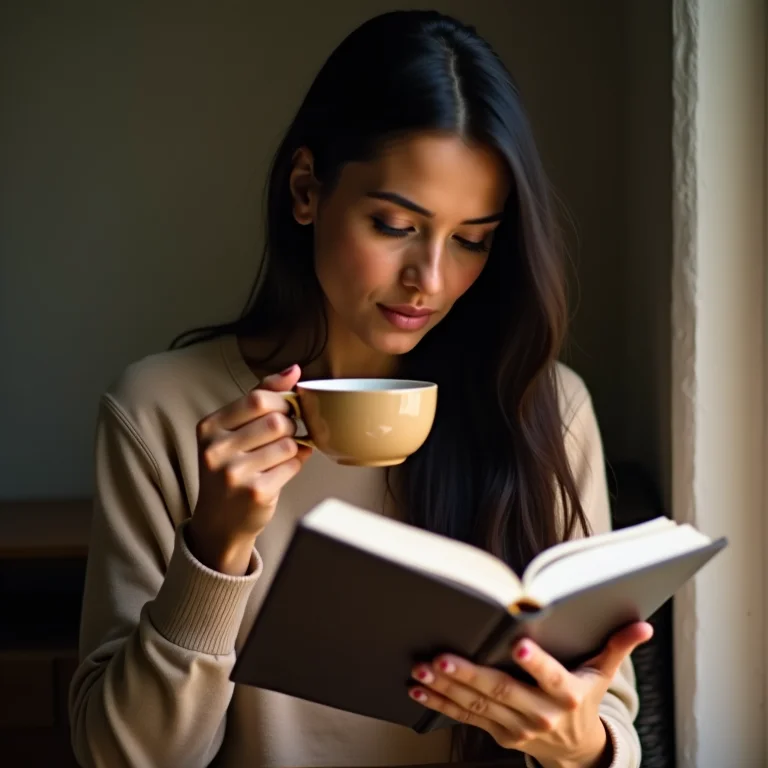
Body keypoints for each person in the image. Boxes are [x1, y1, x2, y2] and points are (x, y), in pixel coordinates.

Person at [69, 10, 651, 768]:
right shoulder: (164, 412)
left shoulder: (540, 406)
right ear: (307, 190)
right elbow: (123, 758)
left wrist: (580, 742)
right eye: (393, 224)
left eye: (472, 239)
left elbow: (613, 727)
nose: (431, 280)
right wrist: (215, 550)